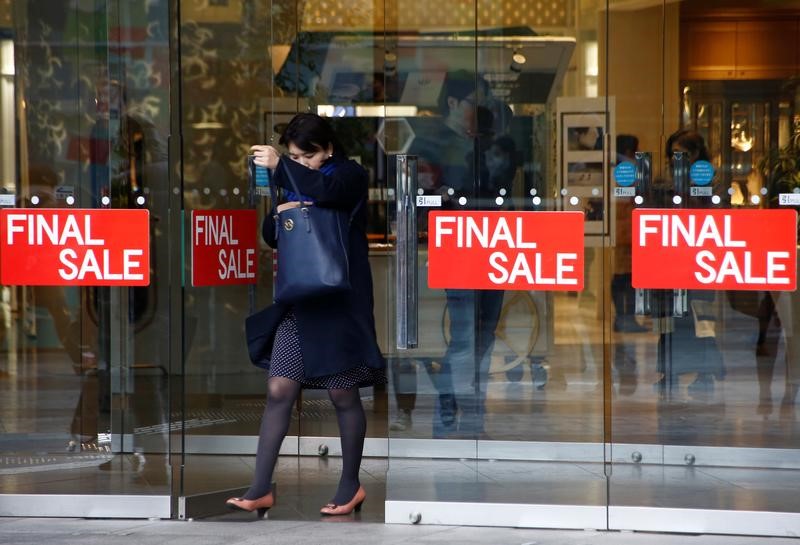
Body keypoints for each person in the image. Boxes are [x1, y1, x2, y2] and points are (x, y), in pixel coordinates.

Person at [227, 113, 386, 517]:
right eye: (293, 157)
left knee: (342, 392)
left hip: (340, 302)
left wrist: (283, 169)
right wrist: (285, 206)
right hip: (303, 301)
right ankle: (260, 487)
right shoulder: (298, 181)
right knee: (279, 388)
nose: (301, 164)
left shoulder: (348, 174)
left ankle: (350, 485)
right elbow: (270, 231)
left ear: (327, 149)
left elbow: (328, 190)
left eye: (306, 156)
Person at [655, 129, 724, 397]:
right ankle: (669, 372)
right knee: (671, 318)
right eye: (672, 155)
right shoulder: (665, 178)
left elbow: (718, 213)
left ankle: (704, 373)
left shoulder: (711, 178)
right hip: (670, 254)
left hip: (700, 254)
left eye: (681, 154)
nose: (675, 160)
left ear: (696, 154)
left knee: (702, 318)